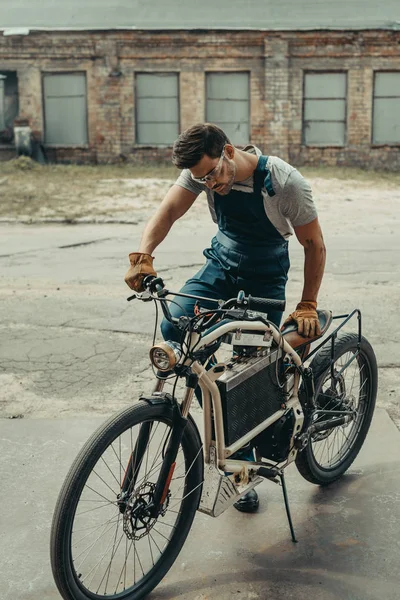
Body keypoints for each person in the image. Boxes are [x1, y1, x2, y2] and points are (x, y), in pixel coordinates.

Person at [125, 123, 326, 513]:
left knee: (253, 370)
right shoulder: (201, 172)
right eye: (201, 178)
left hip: (265, 273)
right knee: (177, 333)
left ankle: (243, 468)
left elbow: (314, 244)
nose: (209, 183)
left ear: (229, 152)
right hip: (221, 262)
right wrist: (143, 255)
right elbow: (168, 211)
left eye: (213, 173)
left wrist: (308, 303)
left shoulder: (284, 182)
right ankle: (222, 422)